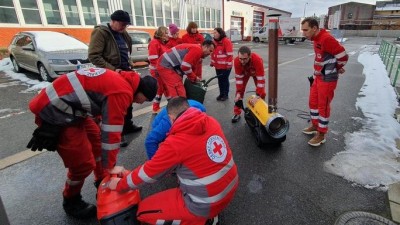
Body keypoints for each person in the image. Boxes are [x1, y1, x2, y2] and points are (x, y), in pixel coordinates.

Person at [26, 68, 157, 219]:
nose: (140, 102)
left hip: (70, 107)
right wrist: (112, 167)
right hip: (56, 110)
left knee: (95, 140)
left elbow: (96, 98)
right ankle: (71, 200)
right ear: (140, 90)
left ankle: (102, 179)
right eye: (144, 99)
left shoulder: (123, 80)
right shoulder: (122, 92)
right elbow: (111, 135)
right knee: (82, 164)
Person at [108, 97, 238, 225]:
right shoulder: (212, 121)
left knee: (143, 212)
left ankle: (202, 220)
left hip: (205, 204)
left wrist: (119, 185)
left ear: (170, 118)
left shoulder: (175, 144)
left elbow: (147, 174)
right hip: (230, 188)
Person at [88, 10, 142, 138]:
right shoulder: (101, 32)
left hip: (125, 72)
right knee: (115, 105)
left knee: (127, 101)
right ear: (113, 21)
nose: (124, 27)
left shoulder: (122, 33)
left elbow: (126, 51)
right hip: (111, 74)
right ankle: (117, 133)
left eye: (126, 25)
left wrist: (129, 64)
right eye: (123, 24)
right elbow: (94, 56)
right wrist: (113, 69)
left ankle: (127, 125)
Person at [300, 17, 348, 147]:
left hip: (327, 79)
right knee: (313, 102)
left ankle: (321, 134)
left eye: (306, 30)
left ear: (314, 28)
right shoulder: (316, 39)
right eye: (302, 30)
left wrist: (337, 68)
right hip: (319, 77)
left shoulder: (326, 39)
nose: (303, 33)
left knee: (323, 106)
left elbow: (343, 56)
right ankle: (315, 125)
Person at [231, 46, 266, 123]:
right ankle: (237, 112)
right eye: (241, 58)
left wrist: (258, 96)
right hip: (245, 73)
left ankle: (261, 111)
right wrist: (239, 93)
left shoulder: (257, 60)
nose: (242, 61)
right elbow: (239, 80)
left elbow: (261, 80)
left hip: (256, 72)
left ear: (250, 56)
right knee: (239, 93)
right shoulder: (237, 61)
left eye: (245, 59)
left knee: (262, 93)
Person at [148, 26, 170, 113]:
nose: (167, 35)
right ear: (161, 34)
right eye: (166, 33)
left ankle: (156, 107)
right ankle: (171, 104)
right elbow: (153, 59)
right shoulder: (155, 43)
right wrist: (161, 69)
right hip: (157, 71)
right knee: (163, 88)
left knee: (161, 88)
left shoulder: (160, 43)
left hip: (161, 70)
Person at [211, 28, 234, 101]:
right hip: (218, 66)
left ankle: (225, 95)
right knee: (220, 80)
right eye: (213, 33)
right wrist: (212, 62)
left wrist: (229, 65)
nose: (214, 34)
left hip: (226, 66)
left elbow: (230, 55)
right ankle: (221, 94)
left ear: (220, 33)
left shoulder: (226, 41)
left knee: (224, 80)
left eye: (215, 33)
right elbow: (212, 53)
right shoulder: (213, 42)